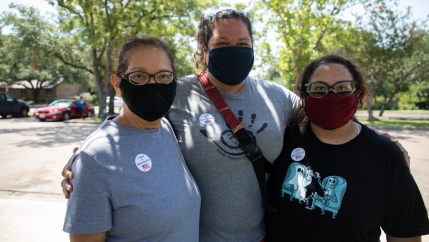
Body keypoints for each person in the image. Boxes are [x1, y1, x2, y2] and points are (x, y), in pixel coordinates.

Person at [61, 9, 410, 242]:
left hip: (263, 234)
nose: (235, 51)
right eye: (222, 44)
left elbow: (327, 111)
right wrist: (86, 157)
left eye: (243, 44)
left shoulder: (276, 96)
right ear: (204, 49)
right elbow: (133, 119)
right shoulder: (176, 91)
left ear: (254, 47)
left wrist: (374, 138)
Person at [265, 54, 429, 242]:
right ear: (304, 95)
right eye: (319, 88)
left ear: (357, 94)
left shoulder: (385, 156)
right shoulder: (283, 139)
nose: (331, 96)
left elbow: (404, 235)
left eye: (342, 88)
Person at [62, 37, 201, 241]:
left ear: (174, 82)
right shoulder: (95, 158)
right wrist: (84, 162)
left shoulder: (166, 127)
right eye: (139, 76)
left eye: (163, 76)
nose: (153, 85)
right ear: (118, 85)